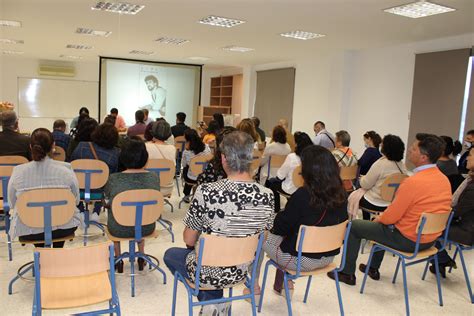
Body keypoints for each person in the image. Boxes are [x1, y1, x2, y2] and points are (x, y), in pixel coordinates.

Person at [163, 131, 274, 315]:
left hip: (206, 271)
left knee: (170, 254)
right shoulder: (267, 195)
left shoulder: (206, 191)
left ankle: (212, 302)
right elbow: (264, 237)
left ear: (223, 158)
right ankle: (215, 303)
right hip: (241, 270)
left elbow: (189, 239)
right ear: (251, 159)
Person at [328, 133, 451, 286]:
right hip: (430, 240)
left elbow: (391, 217)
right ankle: (372, 267)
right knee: (382, 225)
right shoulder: (443, 180)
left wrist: (379, 219)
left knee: (354, 226)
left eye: (413, 149)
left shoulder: (413, 182)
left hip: (408, 240)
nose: (409, 151)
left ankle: (346, 273)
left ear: (423, 157)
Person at [252, 145, 348, 296]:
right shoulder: (342, 194)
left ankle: (254, 288)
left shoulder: (303, 195)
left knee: (260, 235)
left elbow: (279, 227)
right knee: (289, 235)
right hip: (329, 257)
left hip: (302, 261)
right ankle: (284, 285)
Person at [8, 128, 80, 247]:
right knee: (61, 222)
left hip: (28, 229)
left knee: (36, 229)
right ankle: (57, 252)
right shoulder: (66, 170)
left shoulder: (18, 172)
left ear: (30, 147)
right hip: (63, 228)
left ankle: (40, 257)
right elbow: (75, 200)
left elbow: (12, 203)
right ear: (53, 146)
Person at [103, 137, 159, 272]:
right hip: (146, 227)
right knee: (142, 211)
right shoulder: (154, 178)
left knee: (113, 209)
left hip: (119, 229)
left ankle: (118, 259)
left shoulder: (114, 179)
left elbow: (106, 200)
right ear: (145, 157)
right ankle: (141, 255)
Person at [430, 146, 474, 277]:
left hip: (466, 230)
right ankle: (441, 261)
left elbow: (455, 212)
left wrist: (436, 212)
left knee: (425, 229)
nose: (467, 157)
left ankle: (442, 260)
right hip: (464, 224)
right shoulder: (469, 180)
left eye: (471, 155)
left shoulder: (472, 187)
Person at [359, 134, 407, 220]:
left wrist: (361, 178)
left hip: (374, 202)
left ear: (386, 148)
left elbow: (365, 184)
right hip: (391, 203)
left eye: (382, 144)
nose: (380, 145)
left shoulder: (380, 164)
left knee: (354, 196)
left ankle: (366, 222)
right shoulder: (402, 166)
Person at [266, 131, 313, 212]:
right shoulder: (313, 158)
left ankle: (276, 209)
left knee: (272, 183)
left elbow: (280, 175)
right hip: (307, 189)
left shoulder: (292, 157)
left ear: (297, 144)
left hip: (291, 188)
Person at [145, 120, 177, 196]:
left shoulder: (146, 146)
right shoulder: (172, 148)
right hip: (167, 187)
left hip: (148, 186)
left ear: (153, 131)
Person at [181, 129, 211, 202]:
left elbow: (183, 164)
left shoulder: (186, 152)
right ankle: (197, 194)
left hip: (190, 178)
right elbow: (209, 160)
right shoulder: (206, 147)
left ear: (188, 141)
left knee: (186, 168)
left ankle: (186, 195)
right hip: (203, 176)